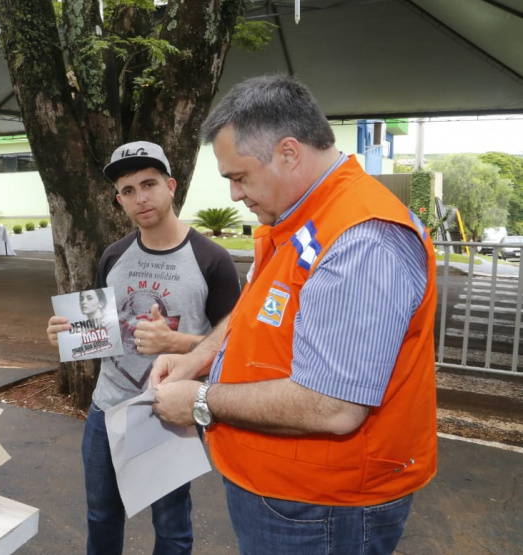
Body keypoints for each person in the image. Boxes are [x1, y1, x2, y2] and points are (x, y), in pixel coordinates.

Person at [151, 75, 438, 555]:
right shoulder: (302, 218)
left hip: (322, 506)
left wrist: (200, 399)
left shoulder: (360, 240)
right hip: (288, 491)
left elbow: (334, 406)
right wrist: (196, 359)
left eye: (239, 177)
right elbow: (257, 309)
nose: (235, 196)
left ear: (288, 153)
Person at [45, 141, 240, 555]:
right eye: (128, 191)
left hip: (168, 413)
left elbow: (236, 346)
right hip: (106, 408)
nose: (140, 198)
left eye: (148, 184)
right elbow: (105, 331)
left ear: (171, 186)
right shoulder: (113, 256)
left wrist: (178, 343)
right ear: (119, 201)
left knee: (171, 527)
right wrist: (69, 333)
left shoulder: (212, 260)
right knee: (101, 516)